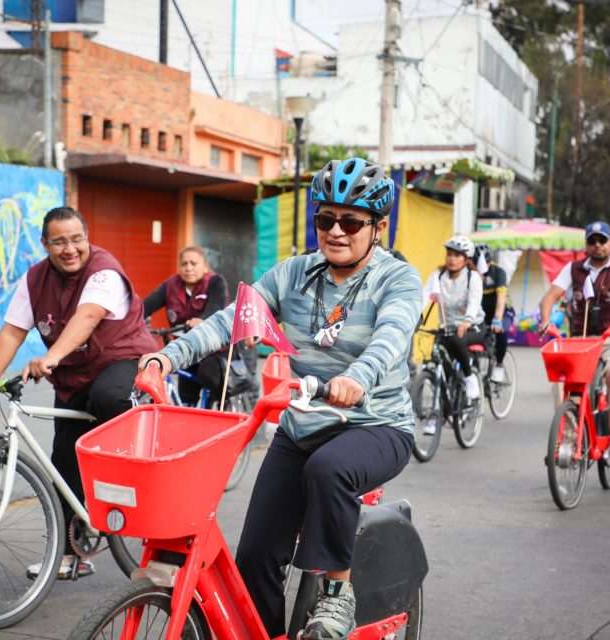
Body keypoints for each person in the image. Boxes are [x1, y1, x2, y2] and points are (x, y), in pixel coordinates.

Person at [139, 158, 422, 640]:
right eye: (325, 219)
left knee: (329, 468)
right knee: (255, 558)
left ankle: (337, 596)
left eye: (350, 221)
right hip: (303, 426)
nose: (335, 231)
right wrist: (165, 358)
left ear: (376, 228)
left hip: (376, 425)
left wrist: (359, 375)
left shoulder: (396, 278)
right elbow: (231, 319)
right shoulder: (294, 274)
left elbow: (392, 335)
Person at [0, 206, 157, 580]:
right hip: (73, 376)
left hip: (119, 359)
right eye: (59, 242)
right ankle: (70, 554)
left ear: (86, 237)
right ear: (45, 244)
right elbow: (12, 330)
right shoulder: (35, 279)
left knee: (107, 399)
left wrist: (51, 357)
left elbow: (87, 318)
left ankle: (134, 473)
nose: (70, 249)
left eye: (77, 239)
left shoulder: (104, 270)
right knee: (63, 462)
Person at [537, 221, 610, 456]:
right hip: (582, 338)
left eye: (602, 240)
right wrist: (546, 322)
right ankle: (569, 436)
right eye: (592, 241)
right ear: (586, 245)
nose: (597, 245)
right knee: (560, 380)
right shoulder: (574, 268)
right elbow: (548, 299)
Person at [143, 246, 230, 404]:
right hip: (184, 347)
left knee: (208, 374)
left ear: (205, 266)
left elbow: (216, 306)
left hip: (214, 348)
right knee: (185, 395)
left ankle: (224, 401)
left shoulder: (215, 282)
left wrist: (202, 320)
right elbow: (146, 306)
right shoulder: (170, 286)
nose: (188, 268)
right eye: (183, 264)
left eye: (193, 263)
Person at [423, 235, 485, 410]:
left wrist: (467, 321)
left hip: (473, 326)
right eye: (449, 254)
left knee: (458, 342)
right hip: (448, 328)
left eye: (457, 255)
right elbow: (425, 295)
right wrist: (413, 317)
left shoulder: (473, 277)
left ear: (466, 260)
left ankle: (469, 377)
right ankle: (438, 412)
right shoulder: (439, 276)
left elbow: (474, 301)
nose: (451, 258)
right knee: (439, 357)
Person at [475, 243, 512, 384]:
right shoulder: (470, 273)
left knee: (500, 329)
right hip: (483, 312)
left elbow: (501, 298)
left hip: (503, 310)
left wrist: (497, 318)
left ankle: (499, 364)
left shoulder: (498, 273)